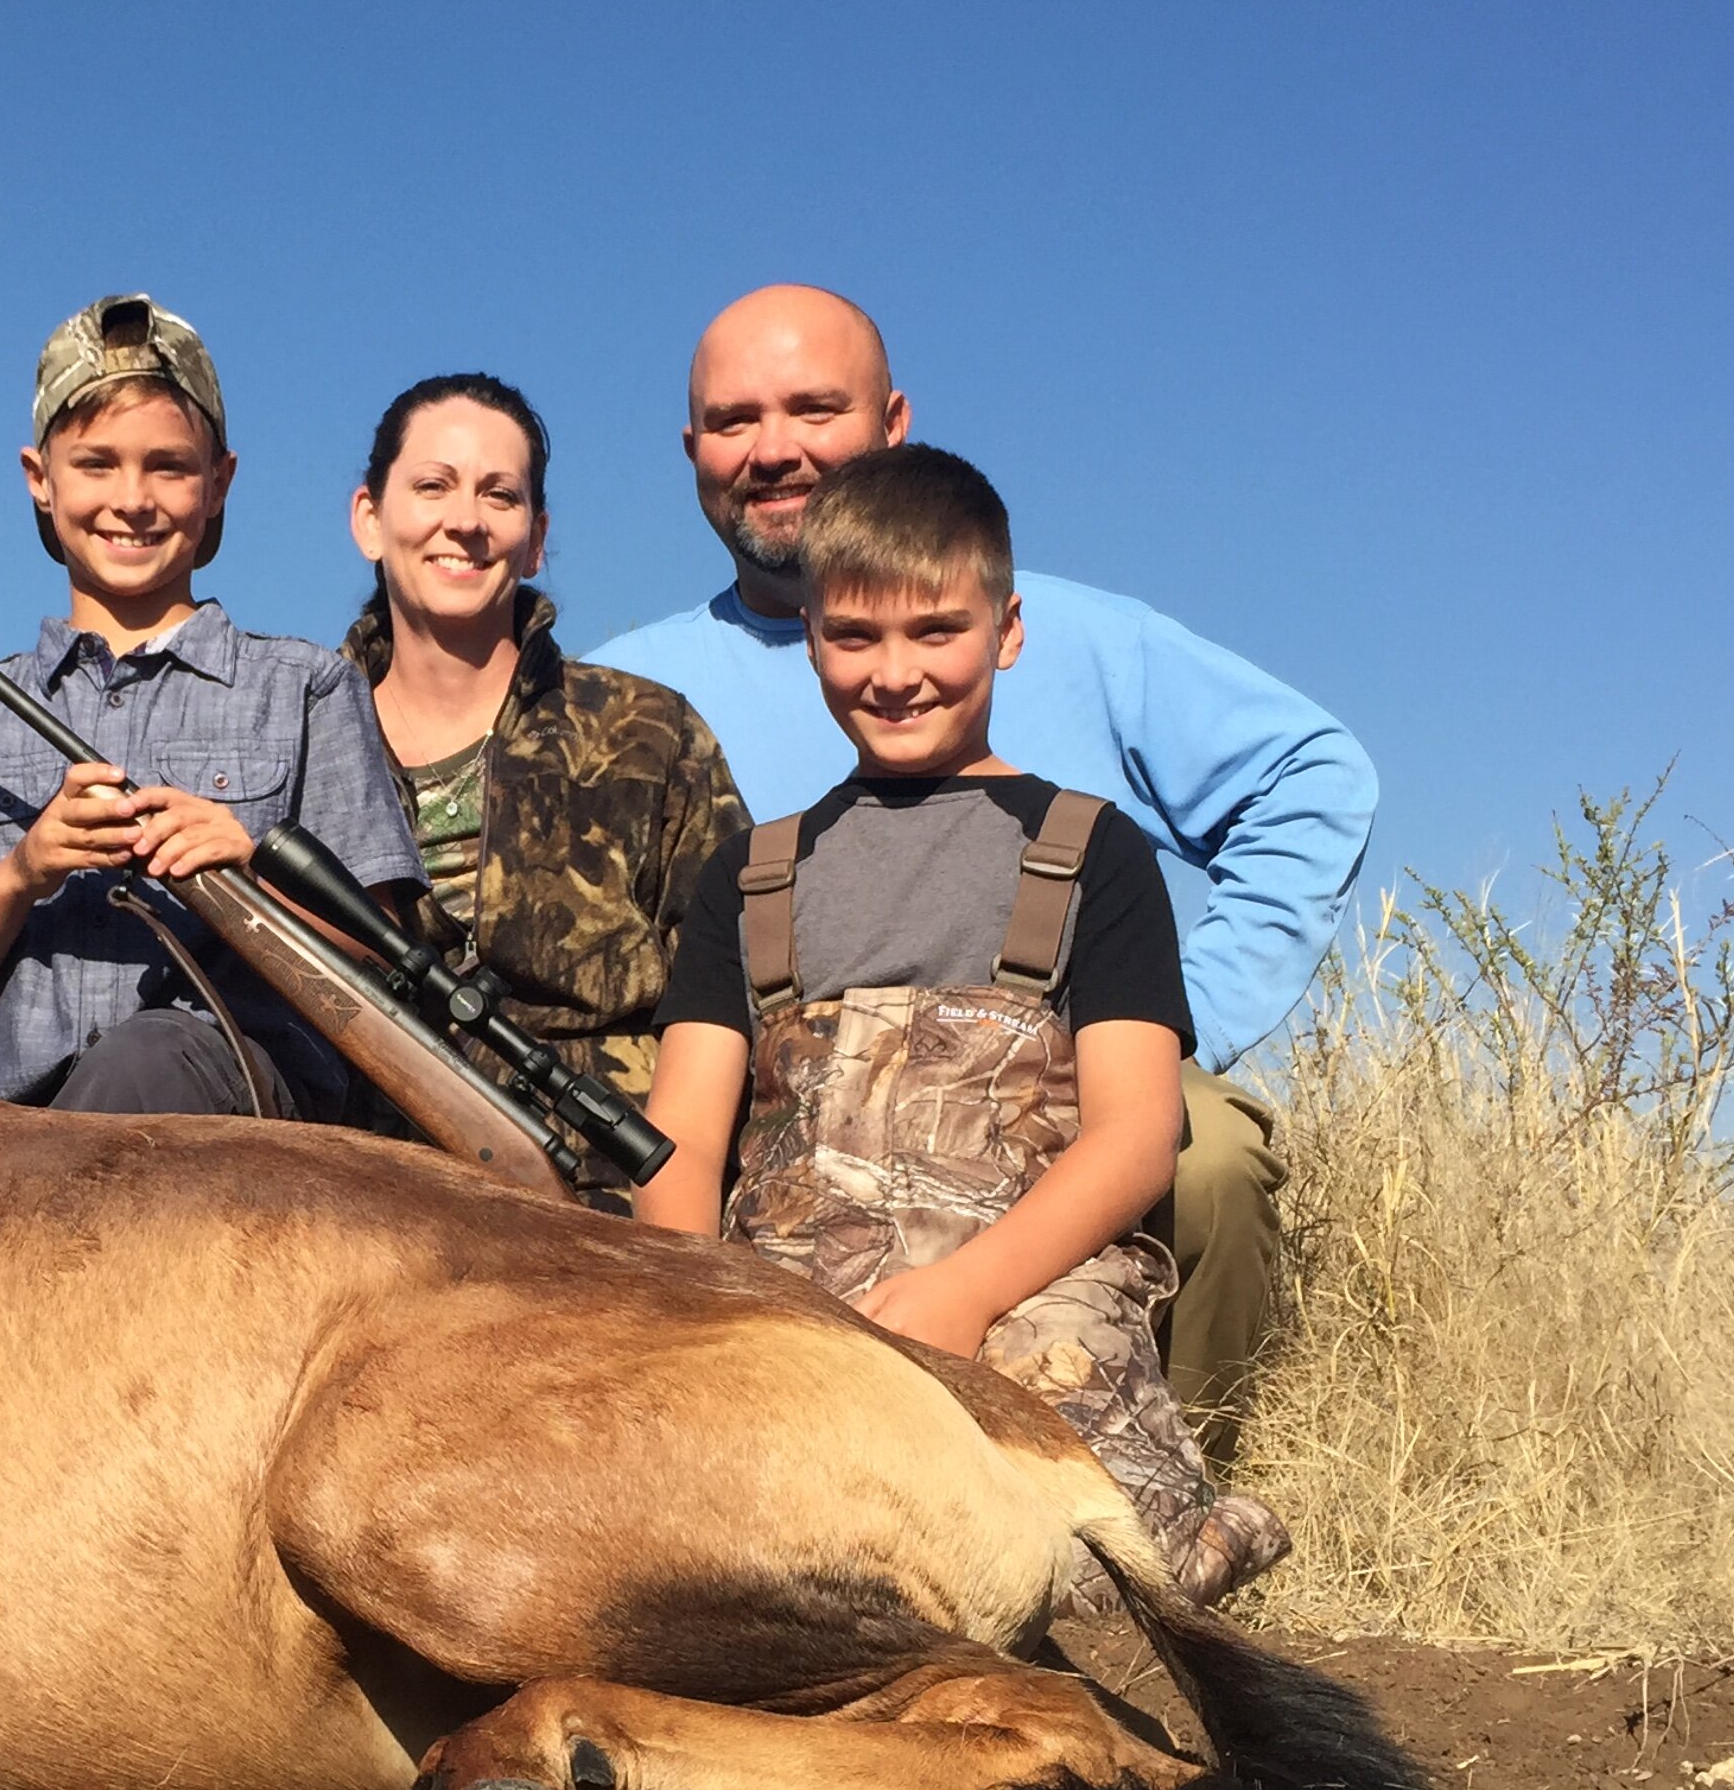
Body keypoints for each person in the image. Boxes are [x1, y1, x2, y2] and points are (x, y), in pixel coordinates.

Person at [590, 284, 1378, 1461]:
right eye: (735, 418)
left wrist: (1165, 1018)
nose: (775, 449)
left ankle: (1184, 1476)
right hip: (783, 1091)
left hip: (1061, 1065)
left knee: (1199, 1156)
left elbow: (1314, 775)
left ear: (894, 419)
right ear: (693, 446)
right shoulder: (623, 694)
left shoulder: (1074, 632)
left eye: (814, 407)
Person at [635, 443, 1287, 1610]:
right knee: (709, 1563)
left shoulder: (1096, 851)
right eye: (855, 636)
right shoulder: (750, 872)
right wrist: (706, 1329)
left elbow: (1136, 1137)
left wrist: (963, 1296)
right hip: (792, 1304)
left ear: (1008, 628)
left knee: (1083, 1578)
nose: (896, 673)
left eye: (937, 631)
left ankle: (1189, 1530)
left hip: (1025, 1294)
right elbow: (681, 1145)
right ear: (812, 635)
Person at [0, 293, 423, 1118]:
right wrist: (22, 873)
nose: (133, 499)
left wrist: (249, 864)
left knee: (149, 1058)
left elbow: (378, 948)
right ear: (39, 480)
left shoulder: (307, 687)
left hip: (236, 1115)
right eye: (95, 464)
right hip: (0, 1131)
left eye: (169, 466)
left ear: (219, 483)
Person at [335, 373, 748, 1163]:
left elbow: (730, 989)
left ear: (535, 537)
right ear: (370, 518)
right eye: (432, 486)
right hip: (363, 1191)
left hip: (605, 1192)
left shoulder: (650, 733)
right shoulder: (298, 732)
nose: (465, 522)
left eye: (500, 495)